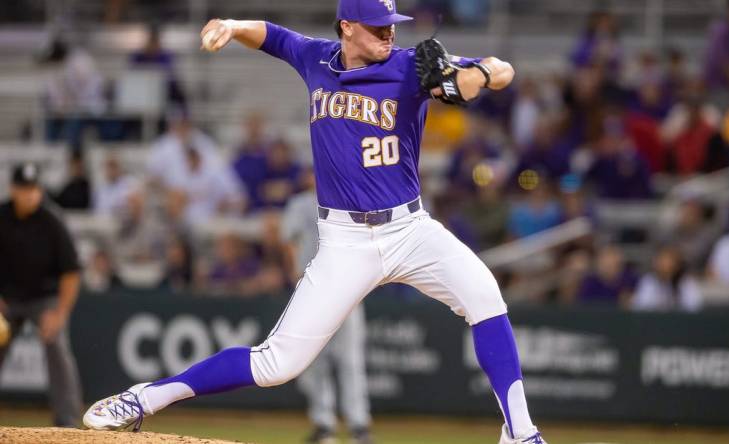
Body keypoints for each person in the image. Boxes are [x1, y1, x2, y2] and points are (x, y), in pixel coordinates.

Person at [83, 2, 545, 443]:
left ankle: (520, 432)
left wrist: (477, 74)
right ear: (346, 27)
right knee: (275, 366)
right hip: (345, 240)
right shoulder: (316, 59)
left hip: (410, 229)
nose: (390, 33)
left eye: (392, 24)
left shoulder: (409, 65)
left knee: (485, 296)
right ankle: (145, 398)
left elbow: (502, 70)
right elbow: (272, 35)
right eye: (378, 25)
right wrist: (232, 23)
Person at [283, 169, 373, 444]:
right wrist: (293, 274)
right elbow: (287, 239)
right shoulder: (300, 204)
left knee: (350, 360)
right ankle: (324, 425)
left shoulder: (348, 198)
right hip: (312, 289)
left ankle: (359, 425)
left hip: (346, 288)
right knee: (314, 361)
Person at [0, 163, 83, 427]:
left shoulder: (52, 220)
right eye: (24, 189)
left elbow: (71, 272)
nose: (29, 194)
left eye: (34, 188)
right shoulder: (1, 217)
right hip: (5, 300)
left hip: (43, 299)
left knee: (57, 343)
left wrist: (59, 313)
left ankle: (67, 420)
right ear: (13, 190)